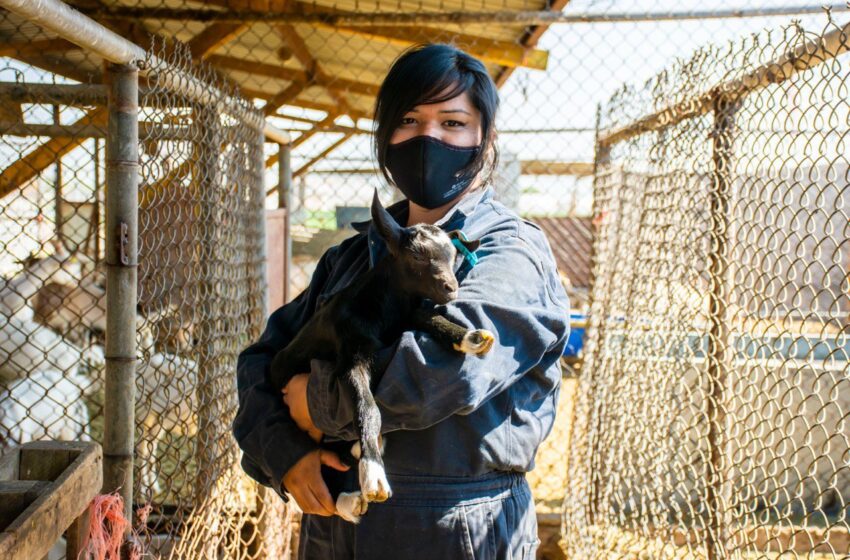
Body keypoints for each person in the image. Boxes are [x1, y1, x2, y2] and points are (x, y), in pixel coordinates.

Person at [233, 43, 570, 560]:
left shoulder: (509, 252)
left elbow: (451, 368)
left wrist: (320, 403)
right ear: (386, 135)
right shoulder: (352, 257)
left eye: (453, 123)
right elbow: (262, 360)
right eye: (409, 119)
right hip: (337, 525)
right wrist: (287, 451)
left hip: (454, 524)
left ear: (486, 139)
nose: (429, 137)